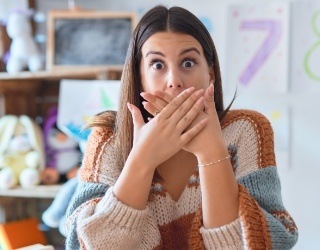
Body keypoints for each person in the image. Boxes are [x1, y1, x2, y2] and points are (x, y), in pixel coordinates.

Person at [65, 5, 298, 249]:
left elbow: (264, 243)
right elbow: (82, 245)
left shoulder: (247, 130)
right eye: (157, 64)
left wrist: (212, 153)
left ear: (210, 74)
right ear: (139, 75)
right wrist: (142, 159)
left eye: (188, 62)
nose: (174, 81)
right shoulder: (109, 139)